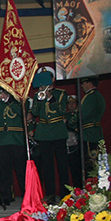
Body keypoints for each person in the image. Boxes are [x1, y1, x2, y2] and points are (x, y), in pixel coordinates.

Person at [31, 66, 70, 204]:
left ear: (52, 79)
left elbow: (61, 110)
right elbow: (35, 112)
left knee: (62, 164)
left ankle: (66, 193)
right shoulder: (37, 95)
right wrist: (40, 98)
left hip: (57, 130)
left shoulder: (61, 93)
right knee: (47, 166)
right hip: (44, 132)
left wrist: (51, 98)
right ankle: (50, 194)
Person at [0, 87, 26, 205]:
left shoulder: (17, 101)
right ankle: (6, 196)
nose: (1, 94)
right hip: (1, 141)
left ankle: (26, 194)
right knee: (4, 171)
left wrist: (8, 100)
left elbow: (23, 112)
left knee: (21, 170)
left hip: (16, 140)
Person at [80, 77, 105, 184]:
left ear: (89, 83)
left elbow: (82, 115)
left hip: (89, 133)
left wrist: (71, 122)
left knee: (90, 162)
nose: (81, 86)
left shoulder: (90, 97)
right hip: (95, 131)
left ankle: (91, 186)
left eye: (83, 83)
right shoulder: (98, 96)